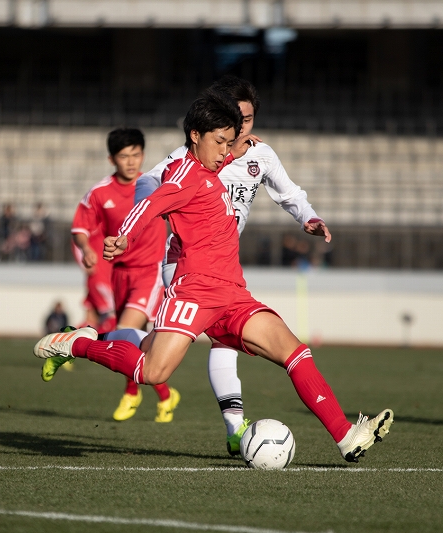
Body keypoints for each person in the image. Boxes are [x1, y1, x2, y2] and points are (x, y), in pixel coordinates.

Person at [34, 90, 394, 463]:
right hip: (195, 289)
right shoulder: (184, 176)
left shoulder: (209, 168)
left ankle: (346, 437)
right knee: (153, 371)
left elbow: (216, 170)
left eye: (230, 141)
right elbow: (152, 202)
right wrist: (124, 236)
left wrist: (238, 159)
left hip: (233, 292)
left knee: (294, 352)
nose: (227, 149)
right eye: (220, 141)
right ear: (195, 136)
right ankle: (75, 345)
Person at [135, 76, 329, 455]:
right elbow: (147, 182)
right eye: (235, 119)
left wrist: (308, 217)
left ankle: (99, 339)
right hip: (183, 260)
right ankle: (236, 428)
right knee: (216, 340)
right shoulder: (196, 156)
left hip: (223, 262)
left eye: (249, 118)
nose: (242, 128)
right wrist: (158, 209)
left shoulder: (262, 157)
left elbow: (291, 195)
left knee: (158, 347)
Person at [58, 128, 180, 423]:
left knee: (125, 331)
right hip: (118, 274)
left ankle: (131, 393)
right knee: (138, 343)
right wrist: (87, 248)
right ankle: (166, 395)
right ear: (112, 158)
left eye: (136, 154)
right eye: (124, 156)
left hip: (150, 272)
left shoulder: (155, 183)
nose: (131, 161)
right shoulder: (100, 193)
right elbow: (80, 229)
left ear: (143, 154)